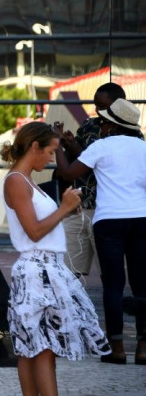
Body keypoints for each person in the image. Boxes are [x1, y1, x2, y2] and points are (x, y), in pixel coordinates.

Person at [1, 121, 111, 395]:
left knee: (34, 347)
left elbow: (40, 226)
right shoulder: (17, 180)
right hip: (37, 270)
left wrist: (65, 211)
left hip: (44, 269)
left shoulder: (24, 180)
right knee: (43, 347)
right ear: (34, 146)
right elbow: (34, 232)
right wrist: (64, 208)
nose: (53, 158)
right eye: (50, 150)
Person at [55, 98, 146, 365]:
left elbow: (67, 172)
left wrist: (60, 144)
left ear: (112, 124)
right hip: (142, 220)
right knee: (142, 283)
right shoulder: (143, 147)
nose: (101, 125)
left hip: (109, 221)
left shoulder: (102, 146)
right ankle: (143, 349)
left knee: (113, 285)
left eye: (104, 121)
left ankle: (116, 348)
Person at [53, 82, 138, 276]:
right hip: (79, 206)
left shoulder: (130, 133)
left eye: (101, 105)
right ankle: (73, 305)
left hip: (107, 212)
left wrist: (63, 145)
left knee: (111, 274)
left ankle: (116, 305)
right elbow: (78, 161)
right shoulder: (89, 125)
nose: (97, 110)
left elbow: (94, 164)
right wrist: (69, 144)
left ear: (118, 106)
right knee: (68, 271)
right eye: (95, 104)